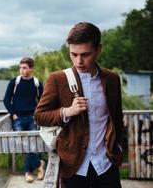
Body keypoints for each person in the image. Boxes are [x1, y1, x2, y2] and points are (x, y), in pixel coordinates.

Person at [34, 22, 124, 188]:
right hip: (73, 167)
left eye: (85, 54)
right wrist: (67, 111)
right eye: (73, 54)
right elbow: (39, 117)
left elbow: (117, 118)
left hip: (106, 164)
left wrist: (118, 149)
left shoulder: (112, 79)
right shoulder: (57, 79)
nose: (79, 61)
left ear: (98, 49)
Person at [3, 57, 45, 183]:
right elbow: (6, 100)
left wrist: (37, 113)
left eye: (24, 68)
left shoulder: (36, 83)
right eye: (20, 67)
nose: (21, 70)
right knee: (22, 145)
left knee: (32, 144)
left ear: (31, 69)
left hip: (32, 118)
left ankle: (28, 172)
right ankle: (40, 164)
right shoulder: (14, 82)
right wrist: (13, 114)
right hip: (18, 119)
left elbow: (43, 100)